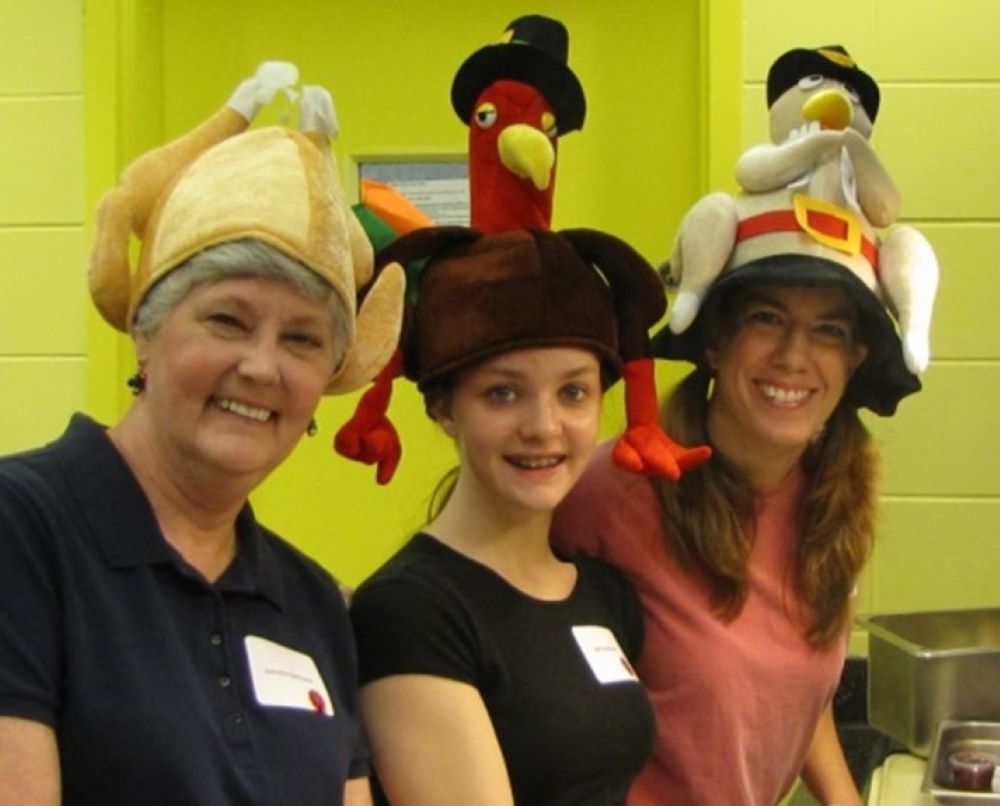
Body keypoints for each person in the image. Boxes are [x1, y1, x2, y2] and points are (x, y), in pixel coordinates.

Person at [0, 66, 403, 806]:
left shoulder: (312, 602)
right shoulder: (23, 530)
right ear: (145, 333)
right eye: (227, 320)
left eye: (304, 340)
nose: (261, 367)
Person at [551, 237, 935, 806]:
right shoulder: (610, 491)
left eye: (828, 330)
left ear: (854, 361)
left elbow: (796, 693)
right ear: (715, 342)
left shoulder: (835, 504)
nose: (793, 355)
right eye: (766, 319)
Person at [347, 226, 664, 805]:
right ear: (444, 407)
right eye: (502, 393)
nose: (543, 426)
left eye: (573, 393)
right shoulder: (409, 612)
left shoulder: (604, 593)